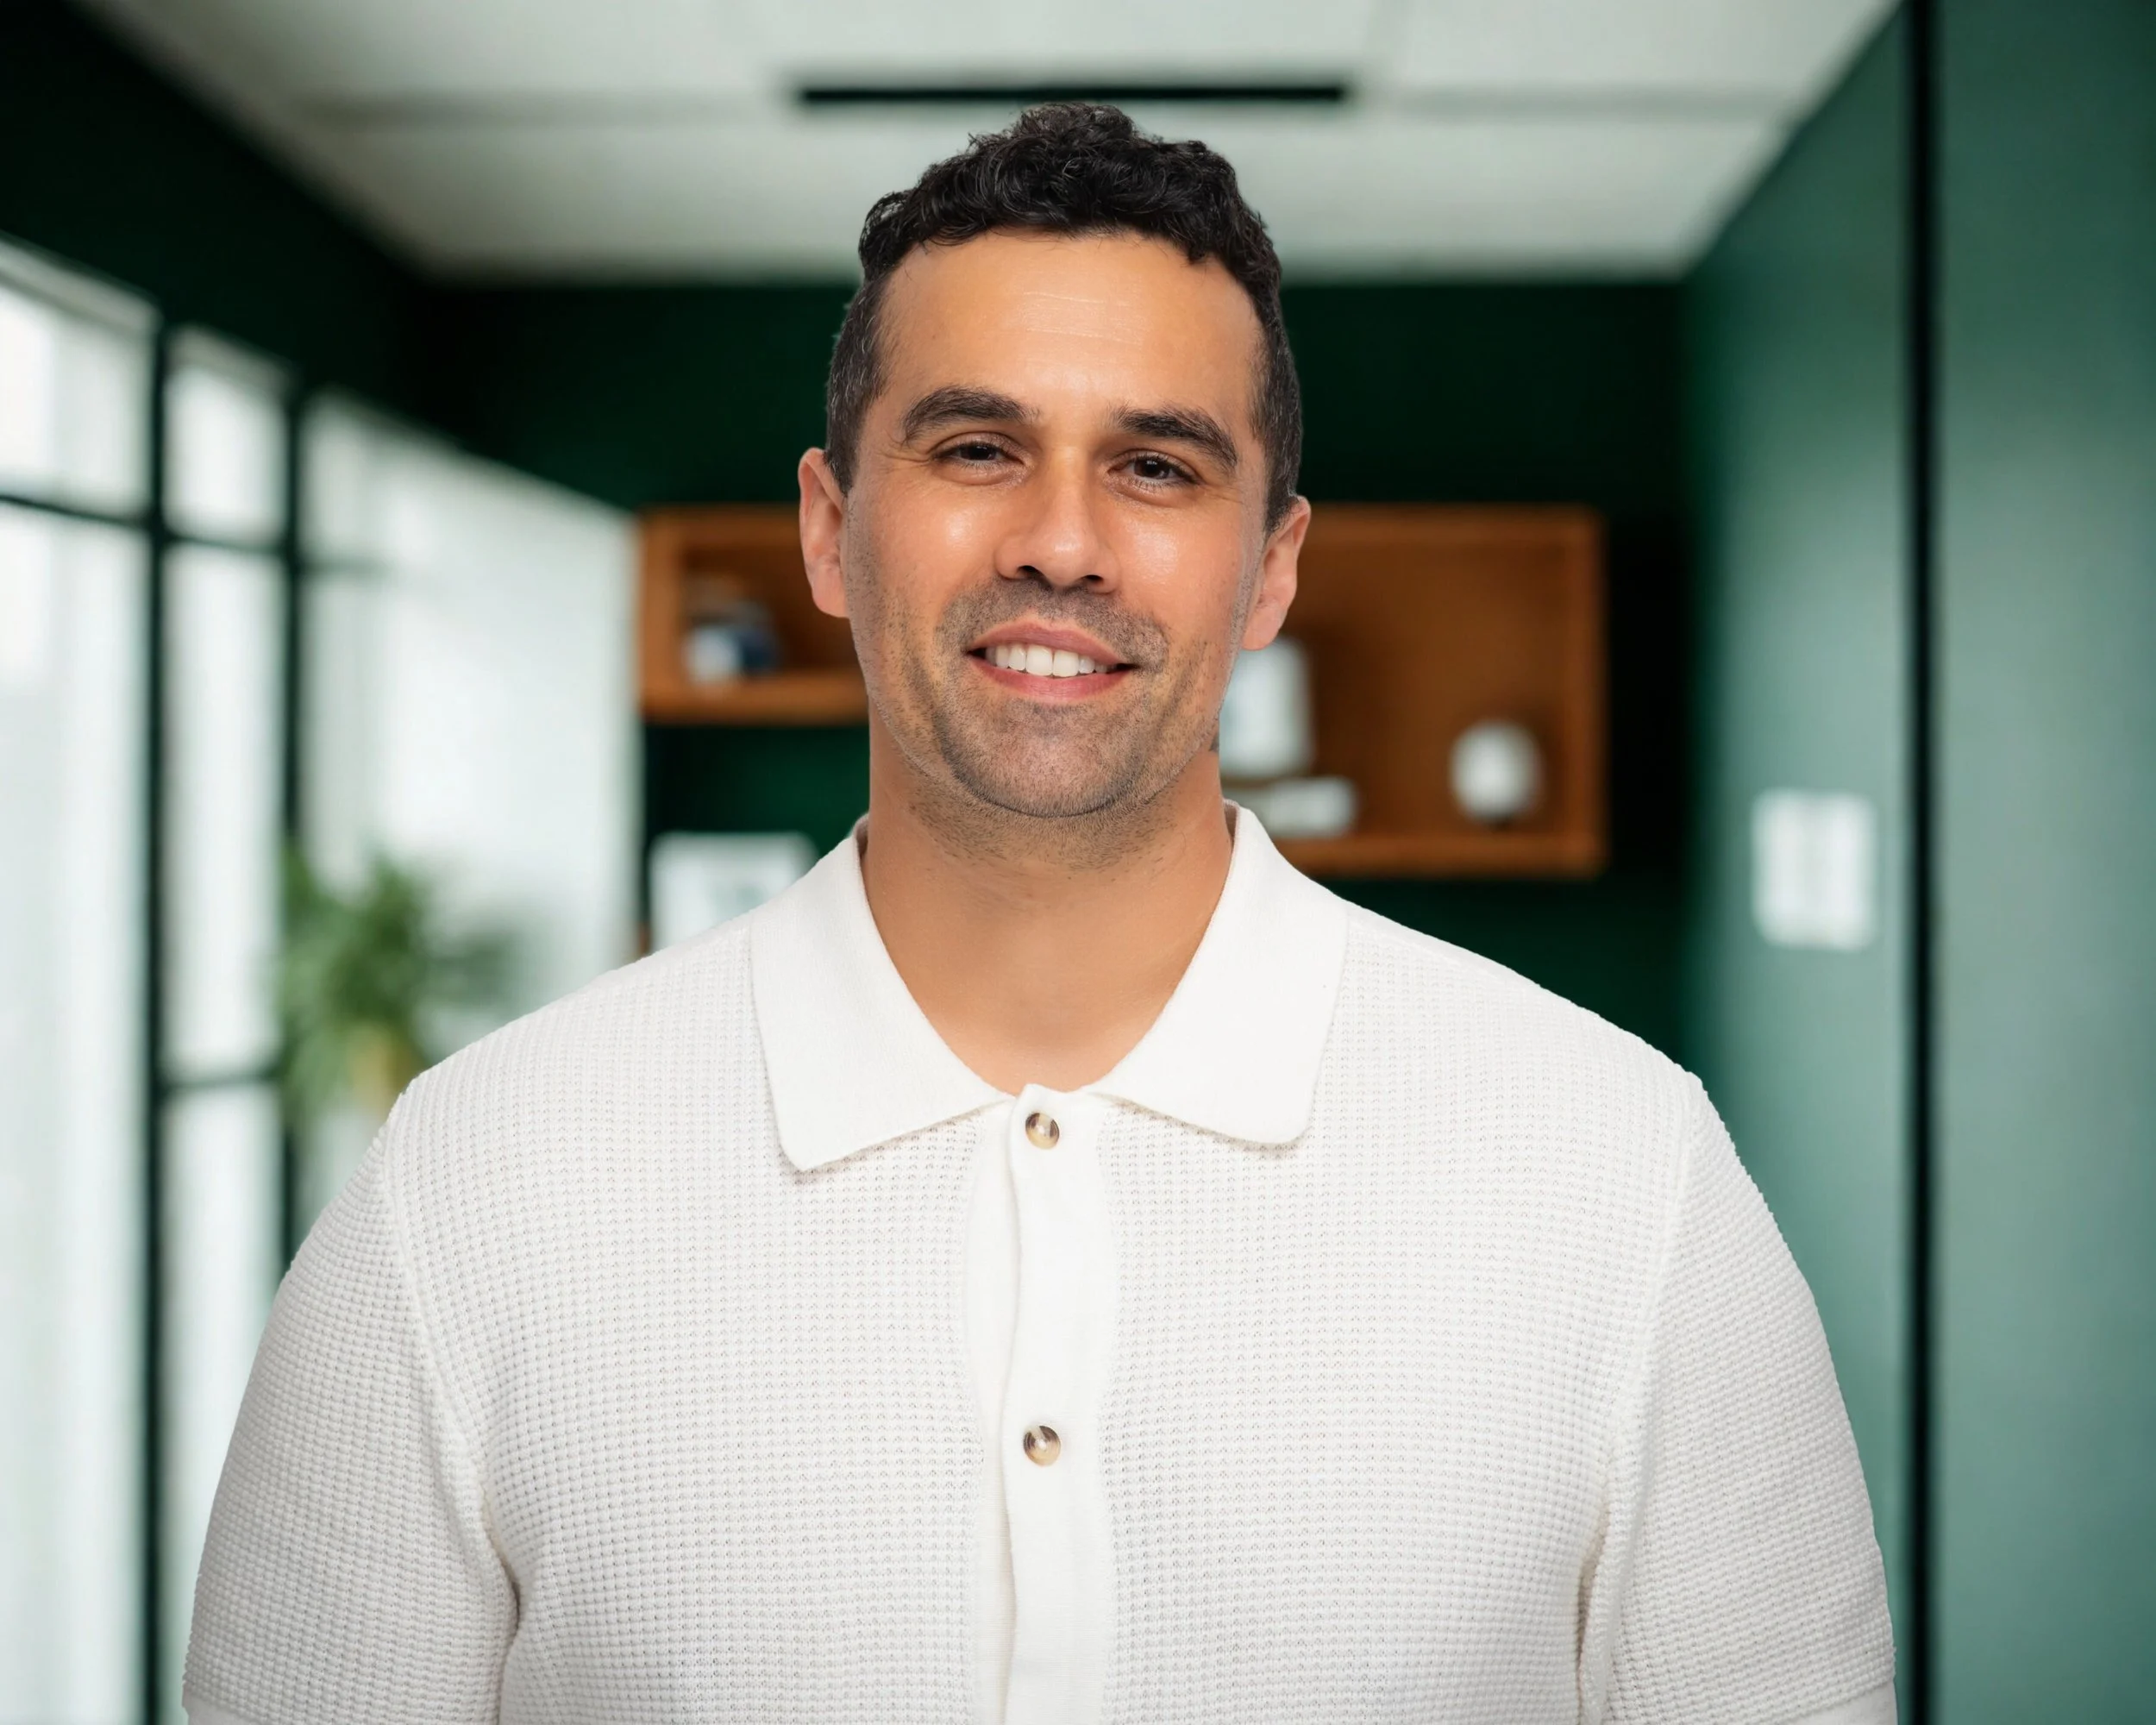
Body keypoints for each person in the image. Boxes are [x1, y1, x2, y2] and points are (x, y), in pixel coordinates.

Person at [184, 104, 1895, 1725]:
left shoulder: (1621, 1178)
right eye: (977, 447)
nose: (1061, 542)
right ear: (830, 527)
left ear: (1271, 569)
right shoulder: (469, 1190)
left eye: (1154, 465)